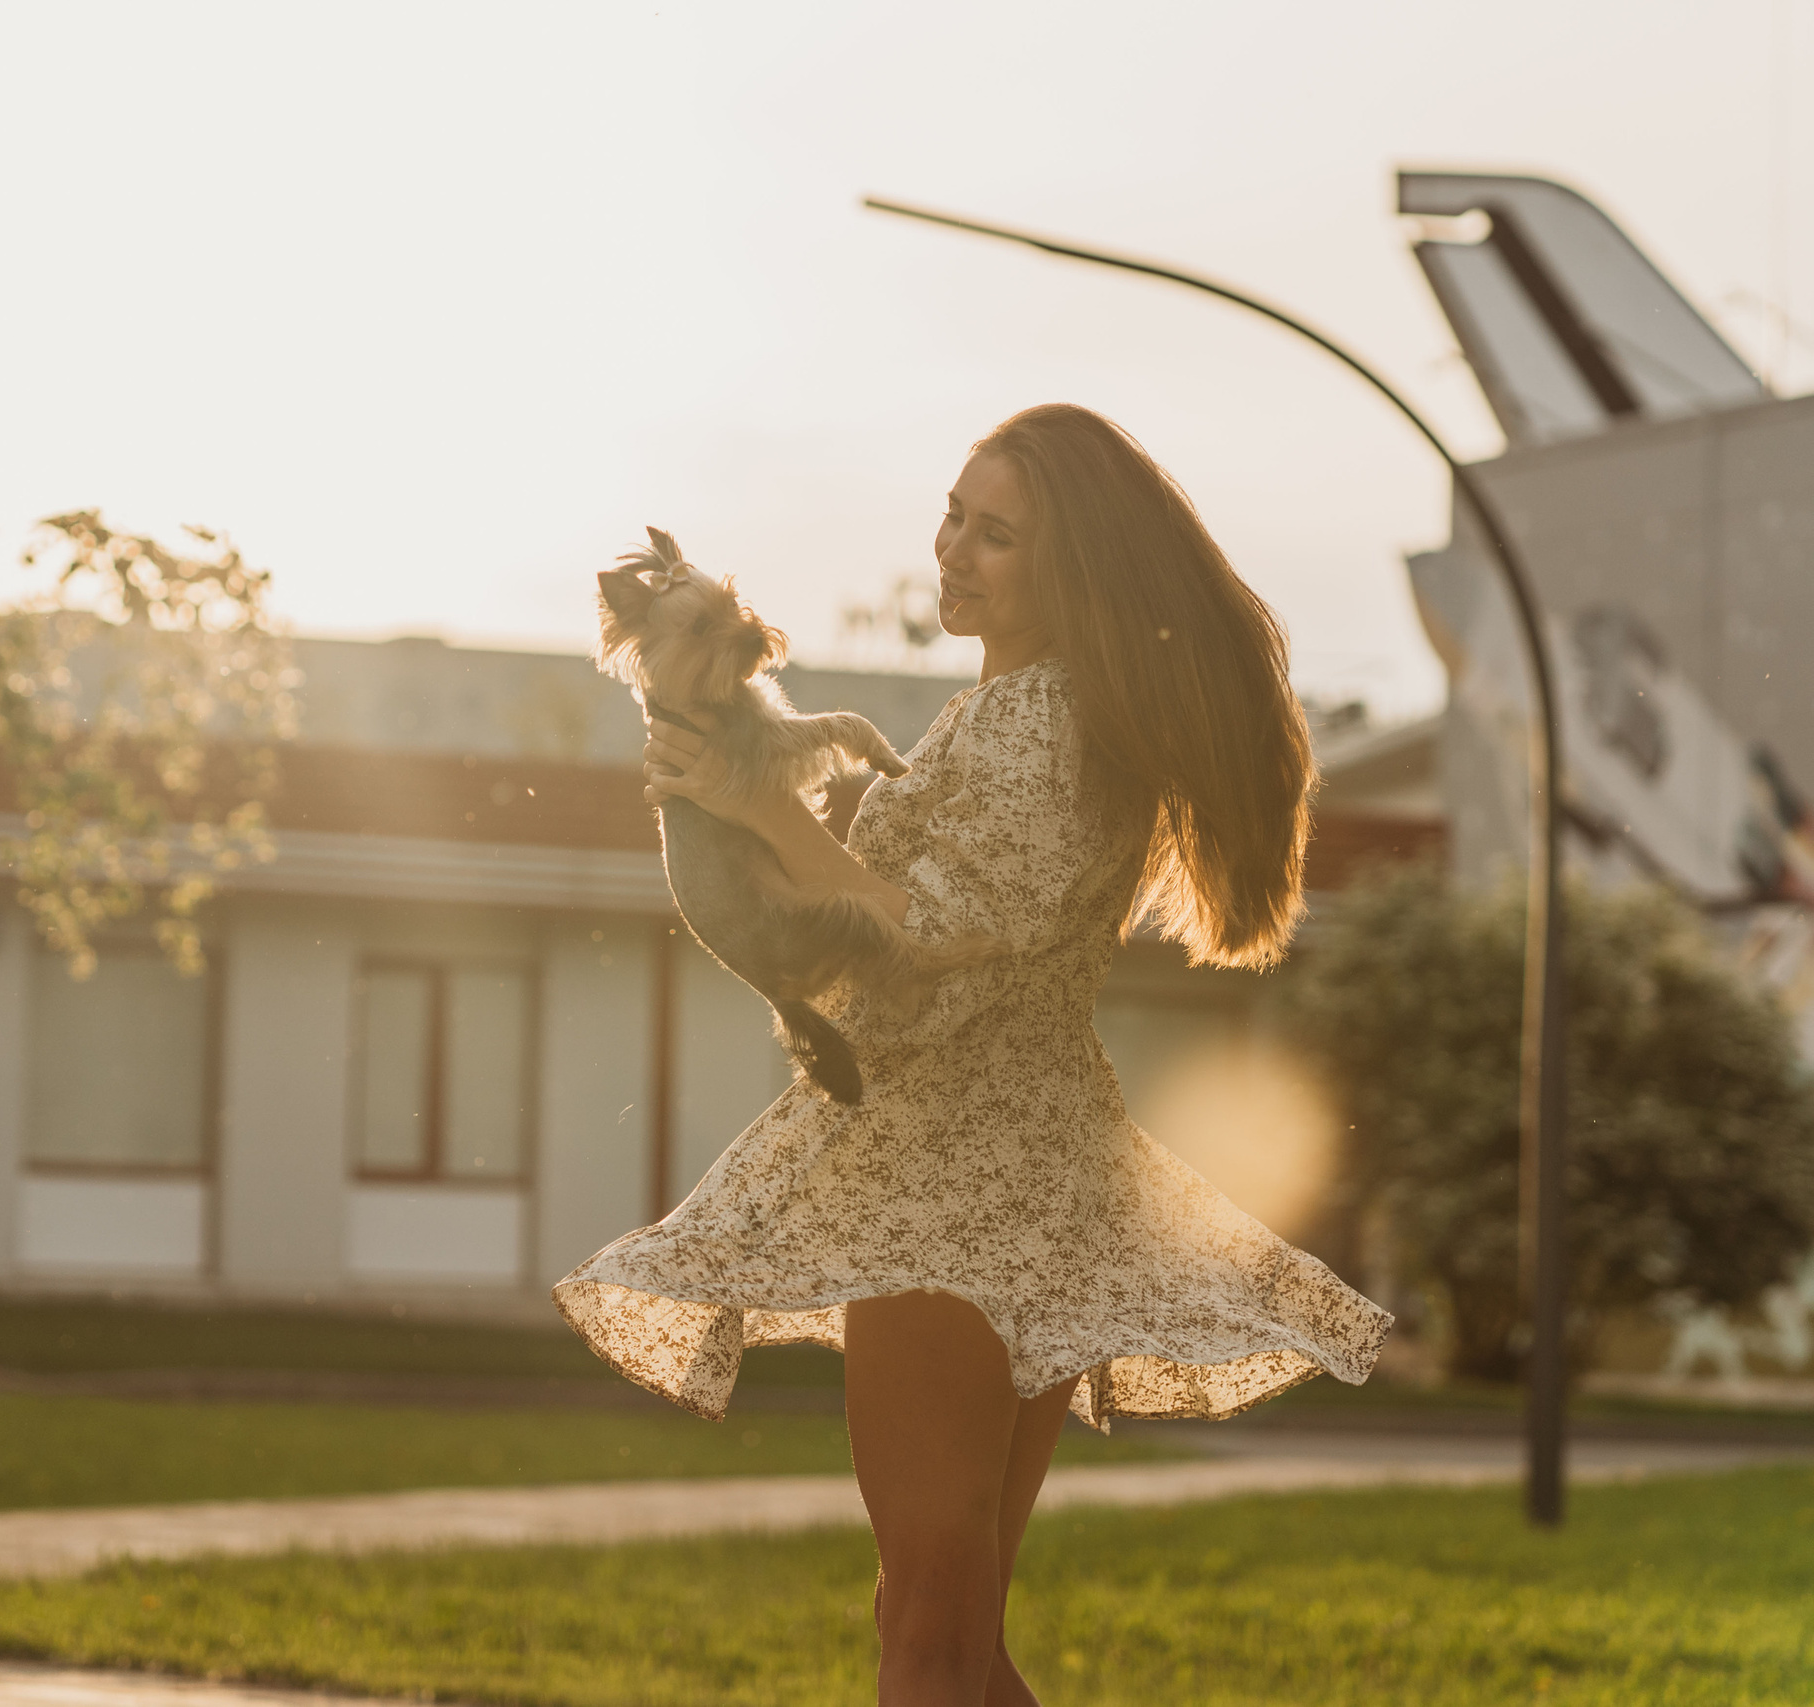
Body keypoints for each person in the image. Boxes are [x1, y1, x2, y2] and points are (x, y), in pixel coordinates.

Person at [554, 403, 1392, 1706]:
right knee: (941, 1618)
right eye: (955, 513)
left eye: (995, 534)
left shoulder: (1040, 728)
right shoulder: (1014, 715)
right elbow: (881, 902)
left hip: (959, 1192)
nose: (954, 549)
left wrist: (757, 802)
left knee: (929, 1631)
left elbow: (926, 935)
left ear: (1070, 571)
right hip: (1018, 1177)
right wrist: (750, 793)